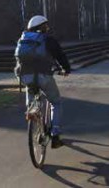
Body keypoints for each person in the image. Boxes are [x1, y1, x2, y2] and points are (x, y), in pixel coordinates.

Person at [14, 15, 71, 149]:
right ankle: (55, 135)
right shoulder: (48, 40)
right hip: (43, 76)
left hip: (25, 76)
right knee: (55, 102)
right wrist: (65, 69)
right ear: (42, 27)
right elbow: (60, 55)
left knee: (31, 89)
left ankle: (32, 112)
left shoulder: (23, 39)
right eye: (46, 26)